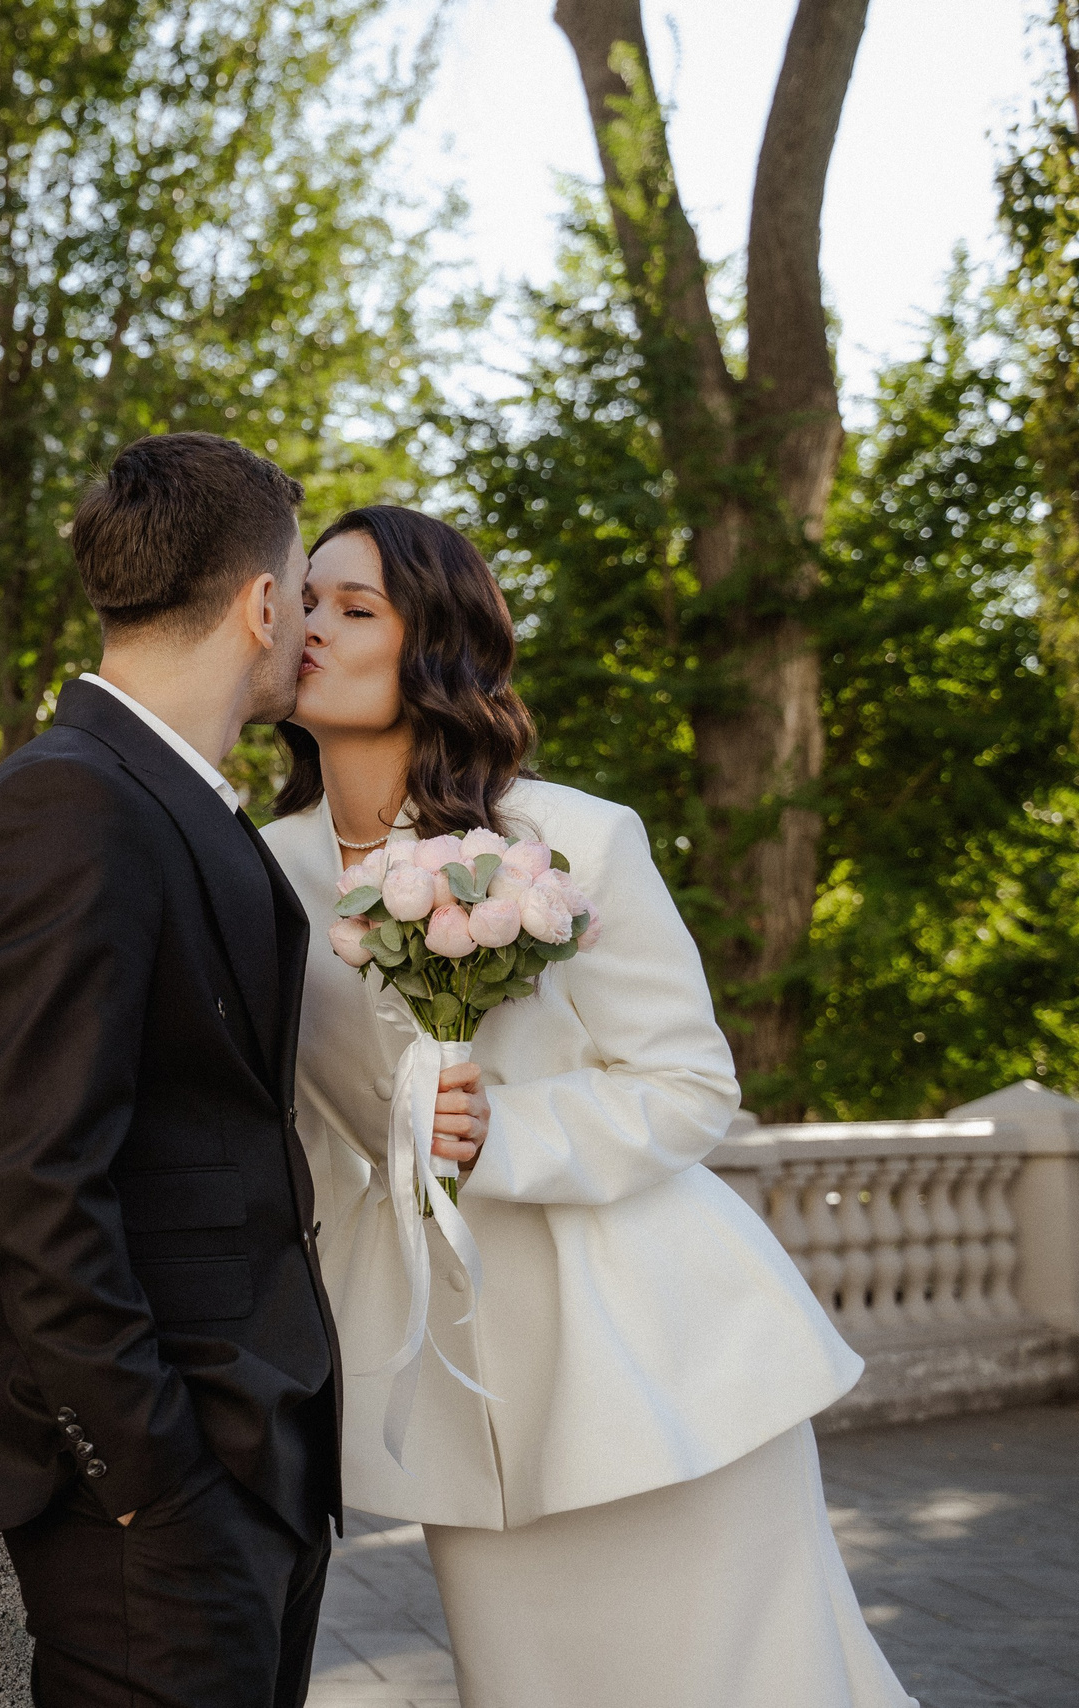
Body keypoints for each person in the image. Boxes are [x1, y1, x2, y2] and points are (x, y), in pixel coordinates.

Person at [259, 503, 915, 1708]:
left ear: (434, 647)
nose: (315, 628)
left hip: (659, 1358)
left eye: (356, 609)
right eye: (305, 601)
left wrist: (510, 1132)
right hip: (460, 1382)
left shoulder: (570, 836)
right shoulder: (259, 872)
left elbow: (687, 1084)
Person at [0, 434, 449, 1707]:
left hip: (246, 1469)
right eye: (301, 597)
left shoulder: (172, 802)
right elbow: (39, 1179)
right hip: (157, 1503)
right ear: (261, 603)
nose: (308, 627)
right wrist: (156, 1480)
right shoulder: (71, 806)